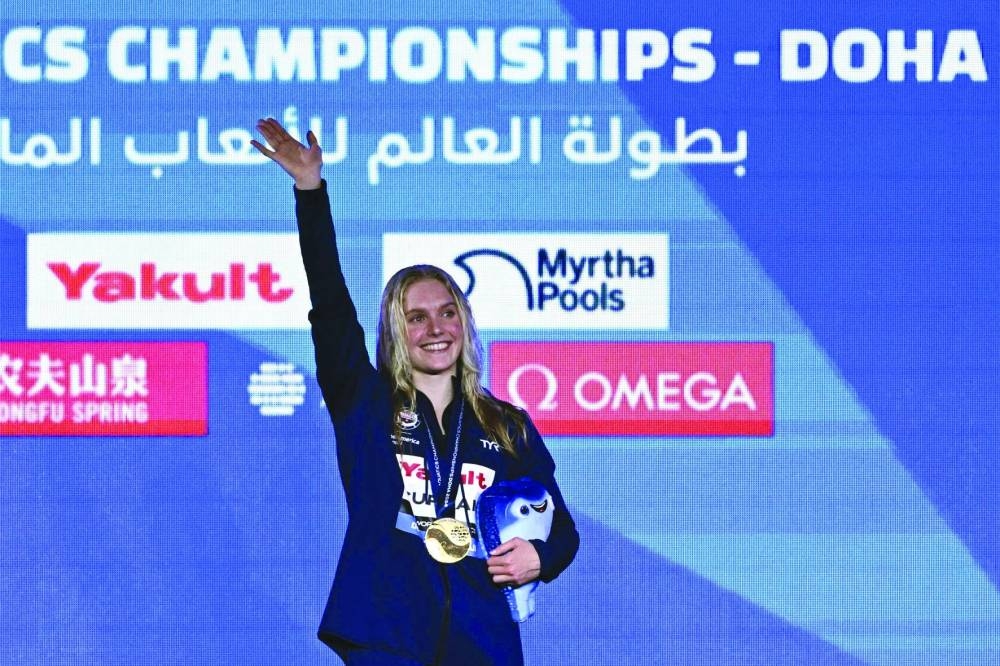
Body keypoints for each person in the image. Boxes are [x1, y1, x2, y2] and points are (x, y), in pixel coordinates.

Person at [251, 118, 579, 666]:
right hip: (387, 627)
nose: (436, 328)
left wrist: (538, 557)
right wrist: (311, 193)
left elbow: (562, 528)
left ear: (465, 322)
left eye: (448, 313)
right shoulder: (365, 403)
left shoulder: (506, 424)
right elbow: (330, 306)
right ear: (395, 330)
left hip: (483, 636)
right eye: (417, 317)